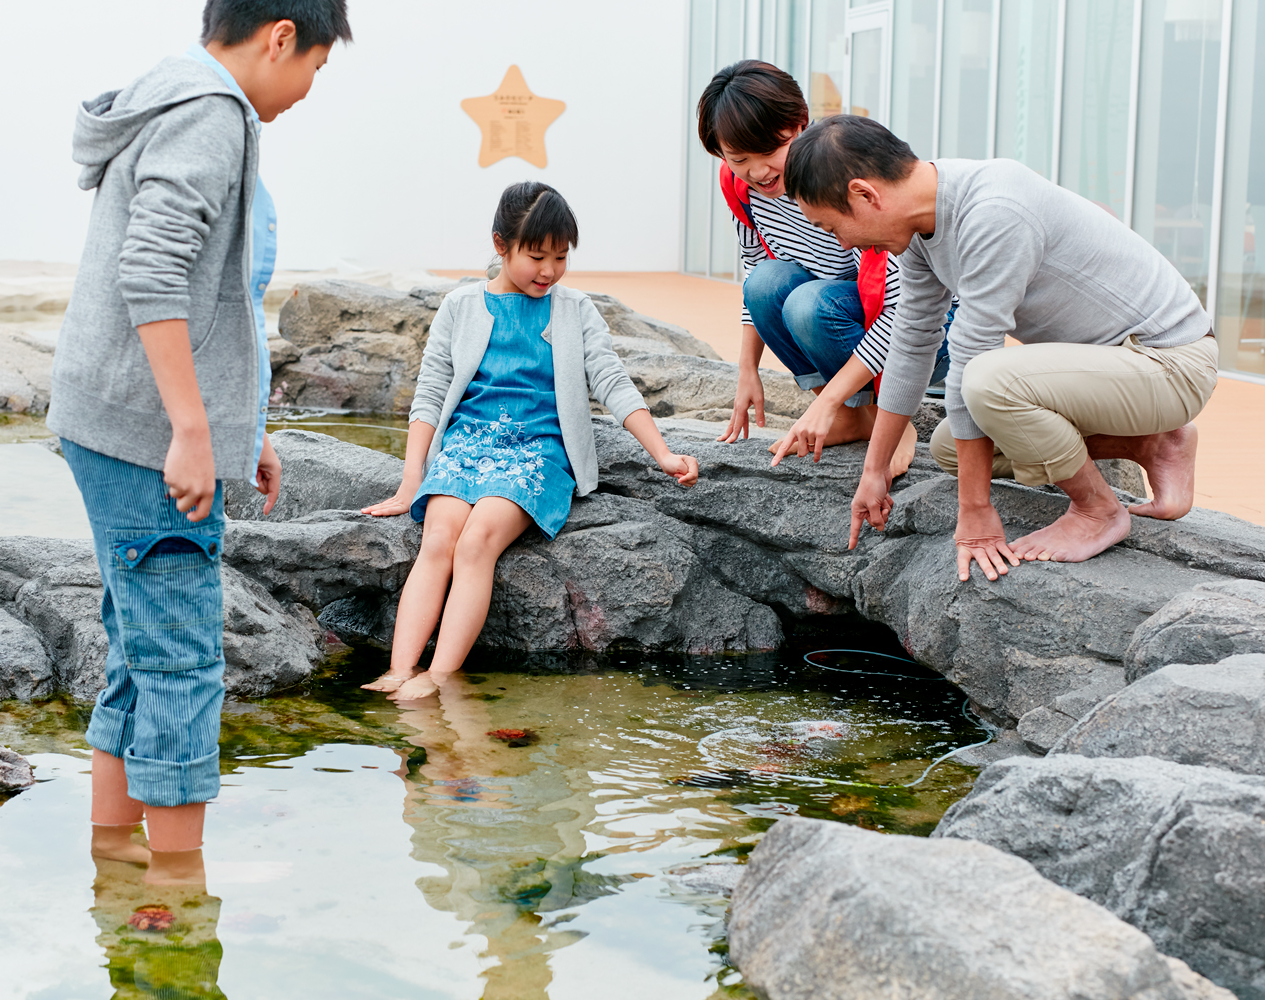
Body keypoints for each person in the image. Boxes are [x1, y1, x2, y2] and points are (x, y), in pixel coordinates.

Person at [46, 0, 350, 885]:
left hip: (109, 420)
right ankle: (178, 901)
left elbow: (221, 301)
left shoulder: (169, 100)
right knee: (180, 658)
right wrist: (191, 429)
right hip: (144, 433)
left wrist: (239, 424)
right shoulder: (210, 116)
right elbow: (154, 272)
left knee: (140, 652)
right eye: (315, 69)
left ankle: (112, 859)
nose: (307, 91)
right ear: (280, 36)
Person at [780, 115, 1216, 579]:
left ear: (865, 194)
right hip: (1116, 372)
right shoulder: (920, 226)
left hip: (1168, 363)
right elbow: (910, 343)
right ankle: (1151, 443)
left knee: (986, 384)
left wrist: (976, 513)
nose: (840, 242)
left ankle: (1098, 511)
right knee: (951, 447)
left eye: (831, 226)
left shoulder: (994, 210)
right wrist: (875, 471)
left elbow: (972, 356)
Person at [360, 183, 700, 701]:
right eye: (536, 256)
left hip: (538, 452)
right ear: (501, 245)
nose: (549, 271)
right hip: (467, 446)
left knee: (477, 544)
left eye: (561, 257)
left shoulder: (576, 309)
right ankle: (400, 668)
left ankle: (439, 677)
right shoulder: (460, 305)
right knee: (439, 538)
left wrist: (662, 453)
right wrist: (413, 481)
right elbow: (429, 393)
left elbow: (611, 381)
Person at [695, 60, 952, 475]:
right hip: (846, 316)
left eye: (770, 151)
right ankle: (850, 418)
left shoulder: (842, 178)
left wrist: (888, 410)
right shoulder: (742, 188)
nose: (758, 171)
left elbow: (904, 310)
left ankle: (890, 420)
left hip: (928, 335)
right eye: (739, 158)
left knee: (807, 304)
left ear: (801, 124)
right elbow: (756, 271)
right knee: (766, 283)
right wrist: (747, 370)